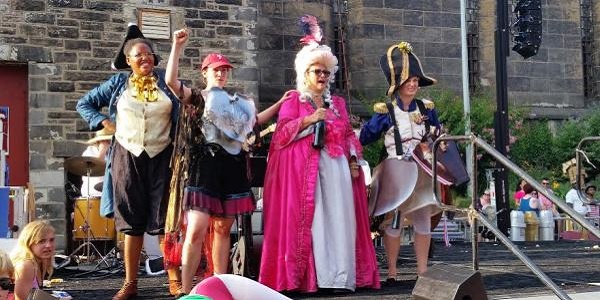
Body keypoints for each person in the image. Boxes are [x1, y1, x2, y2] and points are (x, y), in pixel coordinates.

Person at [259, 15, 380, 293]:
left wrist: (353, 159)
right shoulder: (294, 100)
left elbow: (349, 134)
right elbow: (281, 135)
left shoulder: (337, 103)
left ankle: (341, 277)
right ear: (306, 73)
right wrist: (310, 119)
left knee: (340, 222)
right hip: (309, 174)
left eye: (326, 73)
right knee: (317, 225)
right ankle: (318, 278)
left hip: (337, 171)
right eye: (317, 72)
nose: (323, 77)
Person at [165, 28, 289, 293]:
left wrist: (280, 103)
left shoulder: (236, 103)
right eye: (216, 69)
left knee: (222, 230)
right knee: (196, 230)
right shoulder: (198, 98)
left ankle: (218, 288)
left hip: (232, 169)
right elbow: (171, 83)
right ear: (206, 72)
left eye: (224, 69)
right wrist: (177, 47)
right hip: (204, 167)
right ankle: (187, 292)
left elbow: (255, 121)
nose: (221, 73)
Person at [76, 24, 182, 299]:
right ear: (128, 60)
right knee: (132, 221)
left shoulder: (165, 83)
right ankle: (130, 282)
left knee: (164, 221)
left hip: (162, 155)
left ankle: (174, 280)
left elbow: (182, 111)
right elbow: (84, 103)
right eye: (139, 55)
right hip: (127, 155)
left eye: (149, 54)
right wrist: (102, 121)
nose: (146, 58)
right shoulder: (117, 84)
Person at [360, 41, 442, 280]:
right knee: (393, 220)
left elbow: (437, 133)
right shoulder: (385, 111)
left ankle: (422, 270)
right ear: (399, 85)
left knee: (422, 220)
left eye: (416, 81)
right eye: (410, 81)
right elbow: (366, 137)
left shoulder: (427, 108)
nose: (414, 84)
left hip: (423, 171)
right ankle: (393, 271)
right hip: (396, 173)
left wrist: (437, 139)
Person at [10, 221, 55, 300]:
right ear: (28, 243)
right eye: (41, 241)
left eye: (51, 240)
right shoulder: (26, 265)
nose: (48, 245)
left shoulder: (42, 260)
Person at [80, 128, 113, 198]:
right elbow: (94, 170)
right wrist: (102, 152)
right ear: (99, 142)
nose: (109, 143)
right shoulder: (89, 152)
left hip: (110, 194)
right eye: (106, 141)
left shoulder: (113, 152)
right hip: (93, 194)